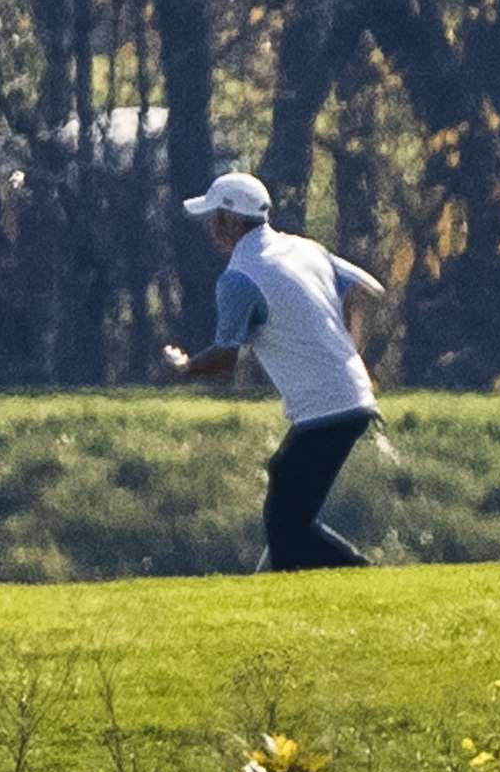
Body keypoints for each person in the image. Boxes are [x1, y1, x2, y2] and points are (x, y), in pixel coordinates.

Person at [151, 168, 386, 573]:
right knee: (286, 505)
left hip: (326, 407)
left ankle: (363, 575)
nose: (209, 229)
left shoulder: (239, 278)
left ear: (229, 220)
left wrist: (184, 367)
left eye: (213, 218)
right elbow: (368, 293)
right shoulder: (304, 249)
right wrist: (352, 351)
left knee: (288, 527)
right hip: (349, 397)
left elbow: (226, 361)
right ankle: (287, 586)